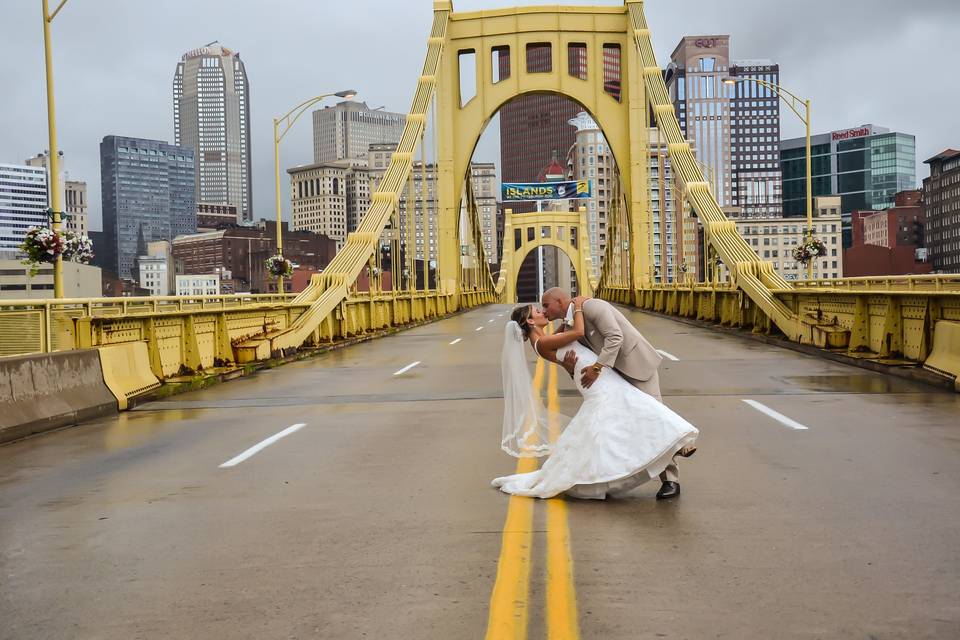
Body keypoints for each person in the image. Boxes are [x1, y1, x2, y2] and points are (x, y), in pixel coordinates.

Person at [492, 299, 698, 500]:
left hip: (606, 375)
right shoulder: (543, 341)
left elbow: (565, 352)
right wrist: (579, 308)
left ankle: (675, 447)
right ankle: (676, 446)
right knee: (643, 409)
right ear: (529, 321)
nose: (542, 311)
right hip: (597, 382)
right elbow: (578, 333)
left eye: (545, 306)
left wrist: (568, 352)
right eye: (538, 310)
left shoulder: (547, 338)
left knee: (638, 411)